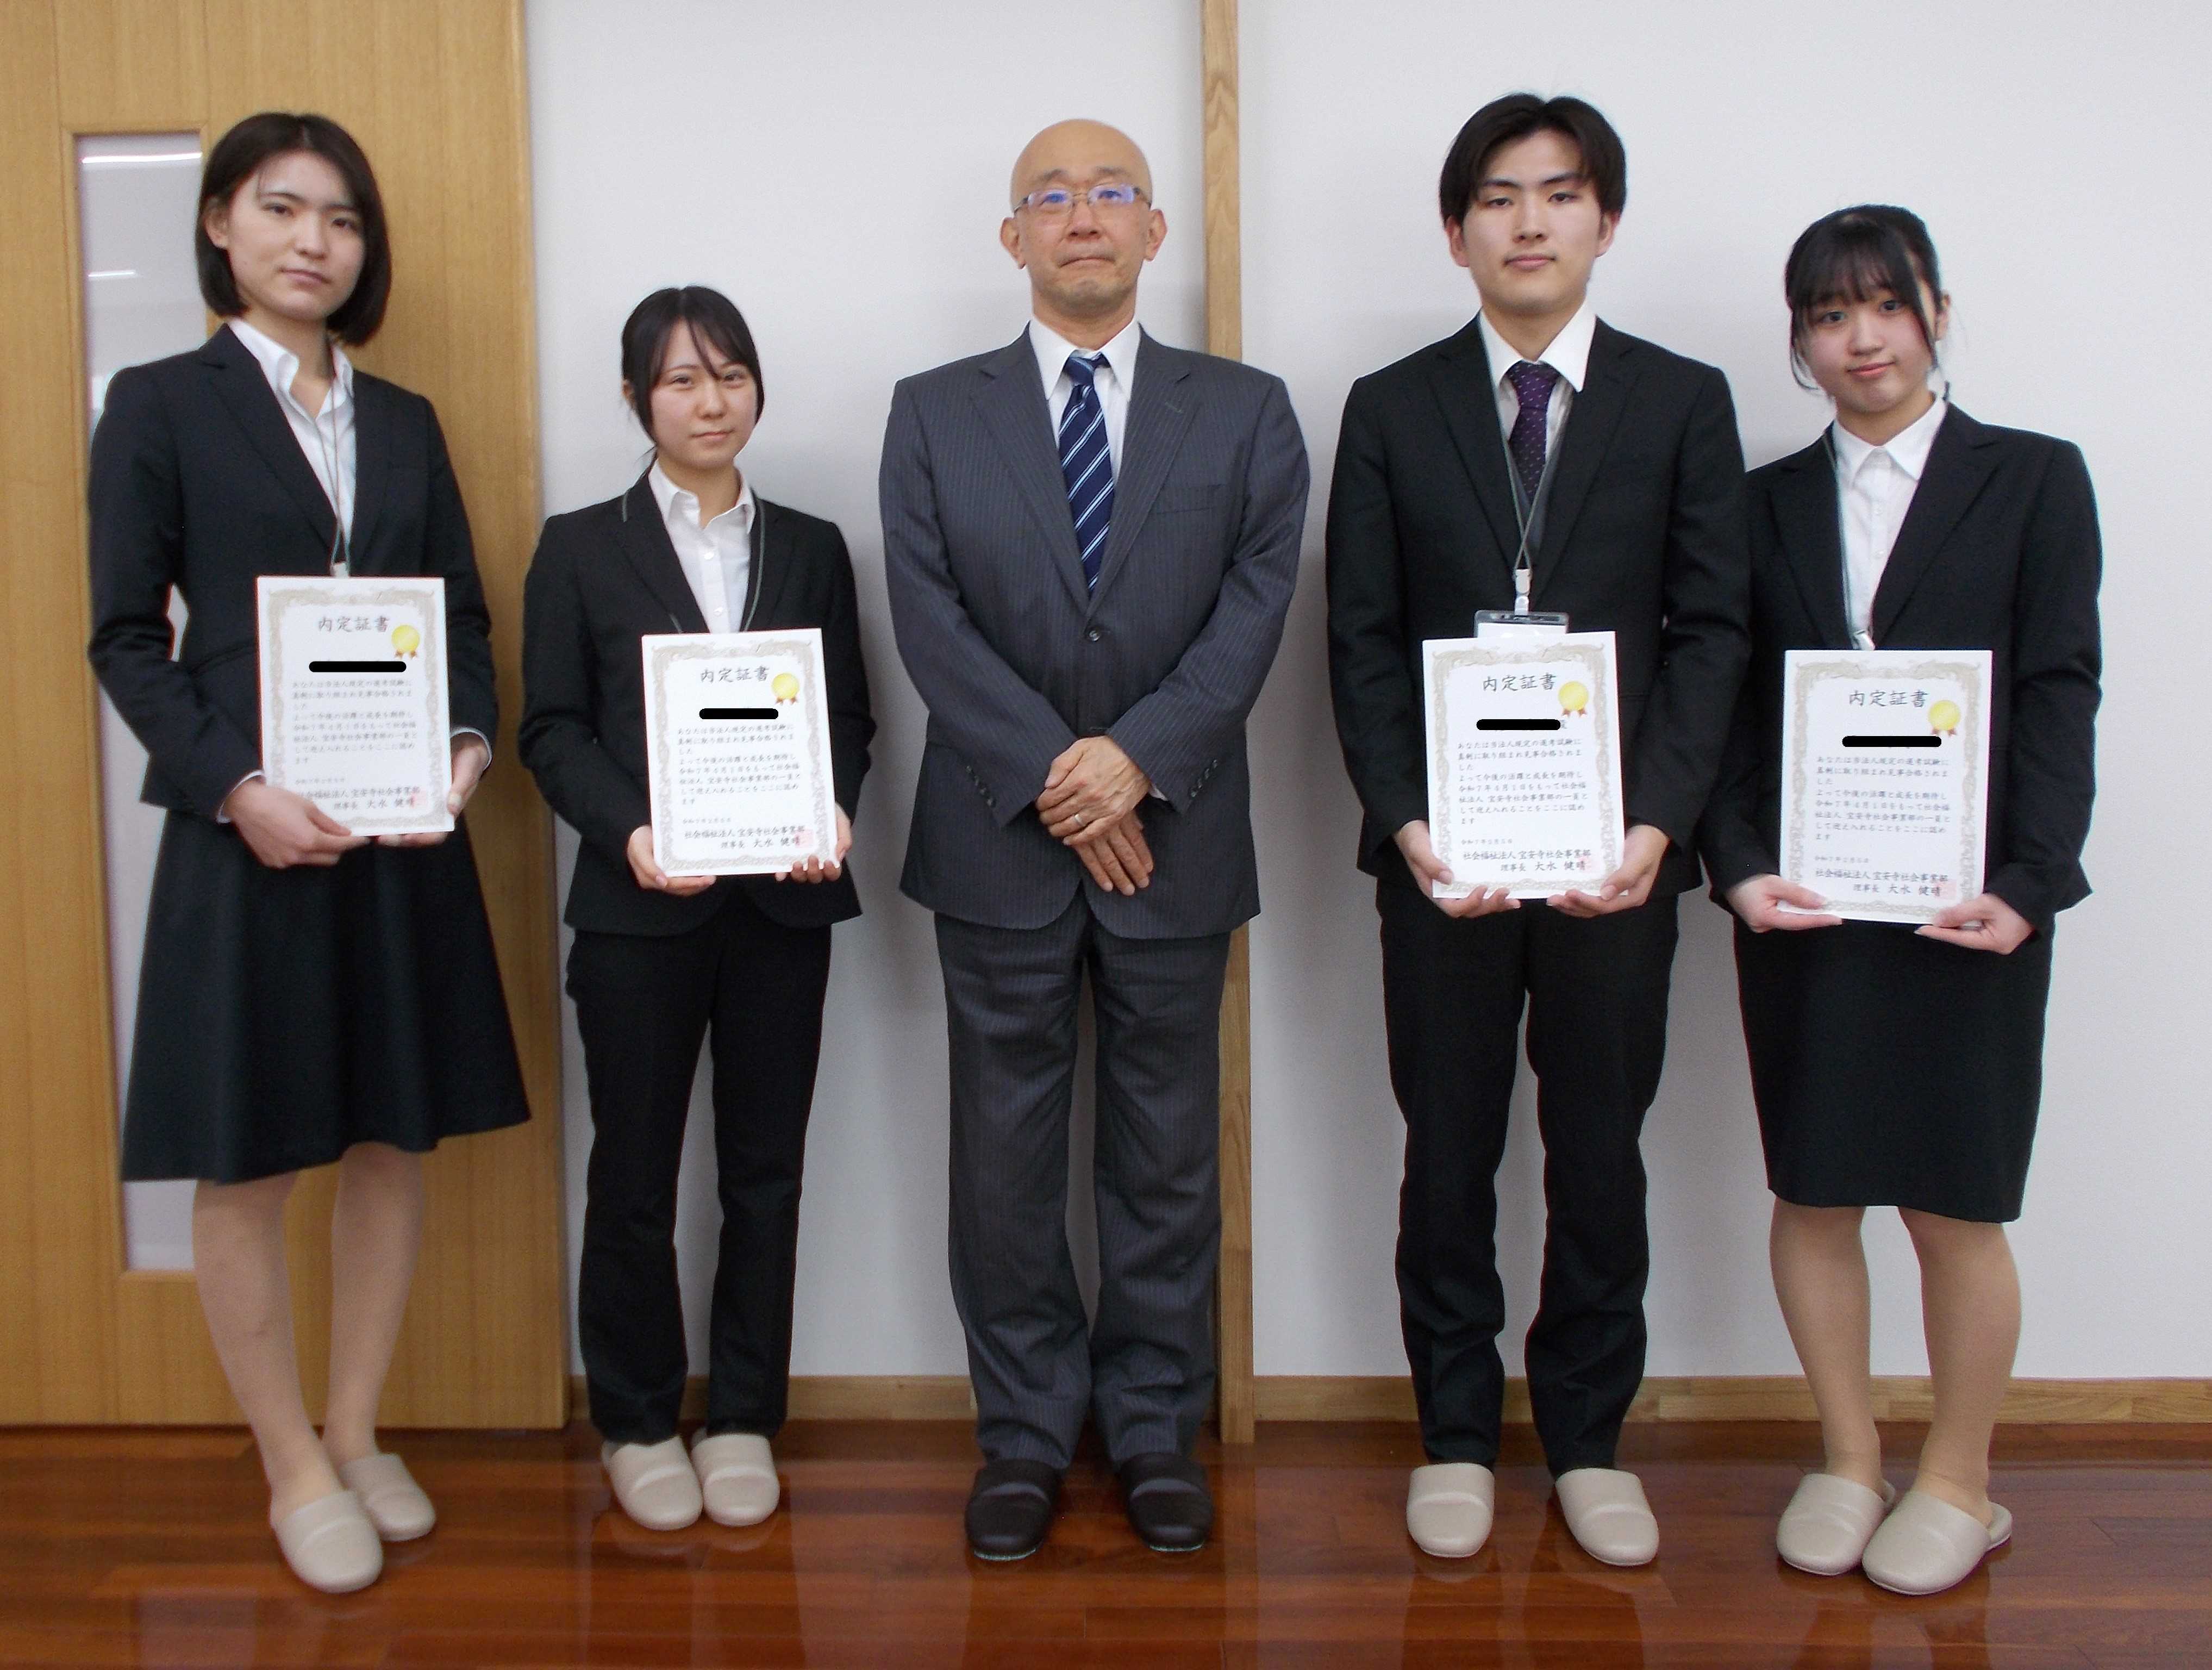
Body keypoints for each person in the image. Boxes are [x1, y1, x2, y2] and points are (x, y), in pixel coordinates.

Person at [86, 111, 530, 1594]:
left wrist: (466, 744)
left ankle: (354, 1426)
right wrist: (235, 787)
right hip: (251, 838)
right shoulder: (158, 402)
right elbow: (123, 639)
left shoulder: (399, 419)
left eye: (338, 219)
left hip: (401, 834)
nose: (311, 243)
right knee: (251, 1155)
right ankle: (286, 1460)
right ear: (221, 224)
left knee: (391, 1135)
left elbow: (458, 615)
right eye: (281, 211)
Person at [1326, 94, 1749, 1566]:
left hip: (1612, 863)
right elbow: (1361, 641)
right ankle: (1451, 1431)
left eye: (1558, 196)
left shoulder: (1680, 399)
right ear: (1454, 232)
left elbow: (1710, 630)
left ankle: (1584, 1436)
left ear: (1604, 222)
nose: (1526, 223)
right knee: (1443, 1145)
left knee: (1598, 1145)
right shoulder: (1388, 405)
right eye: (1496, 199)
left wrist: (1658, 822)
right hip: (1440, 865)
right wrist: (1404, 818)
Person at [880, 120, 1305, 1560]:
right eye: (1046, 198)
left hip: (1174, 839)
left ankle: (1147, 1429)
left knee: (1166, 1156)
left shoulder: (1244, 413)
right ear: (1011, 238)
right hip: (999, 844)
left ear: (1153, 230)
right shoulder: (931, 412)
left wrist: (1134, 765)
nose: (1079, 216)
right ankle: (1017, 1436)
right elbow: (928, 621)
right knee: (1001, 1162)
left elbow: (1252, 609)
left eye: (1108, 191)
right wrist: (1067, 781)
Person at [1698, 205, 2099, 1595]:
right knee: (1814, 1190)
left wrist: (2029, 885)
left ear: (1934, 309)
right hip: (1807, 904)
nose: (1858, 338)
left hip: (1963, 910)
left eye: (1883, 304)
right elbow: (1725, 707)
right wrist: (1736, 866)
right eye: (1825, 314)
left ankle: (1959, 1479)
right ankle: (1851, 1457)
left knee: (1952, 1205)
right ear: (1799, 342)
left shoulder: (2036, 480)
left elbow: (2059, 691)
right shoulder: (1755, 504)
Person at [520, 286, 874, 1534]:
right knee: (633, 1172)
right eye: (680, 380)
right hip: (638, 914)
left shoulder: (815, 546)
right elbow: (550, 729)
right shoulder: (578, 545)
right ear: (635, 400)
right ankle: (631, 1417)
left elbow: (849, 722)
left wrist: (832, 811)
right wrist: (631, 833)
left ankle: (743, 1418)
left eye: (730, 374)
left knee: (764, 1173)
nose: (710, 400)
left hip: (780, 908)